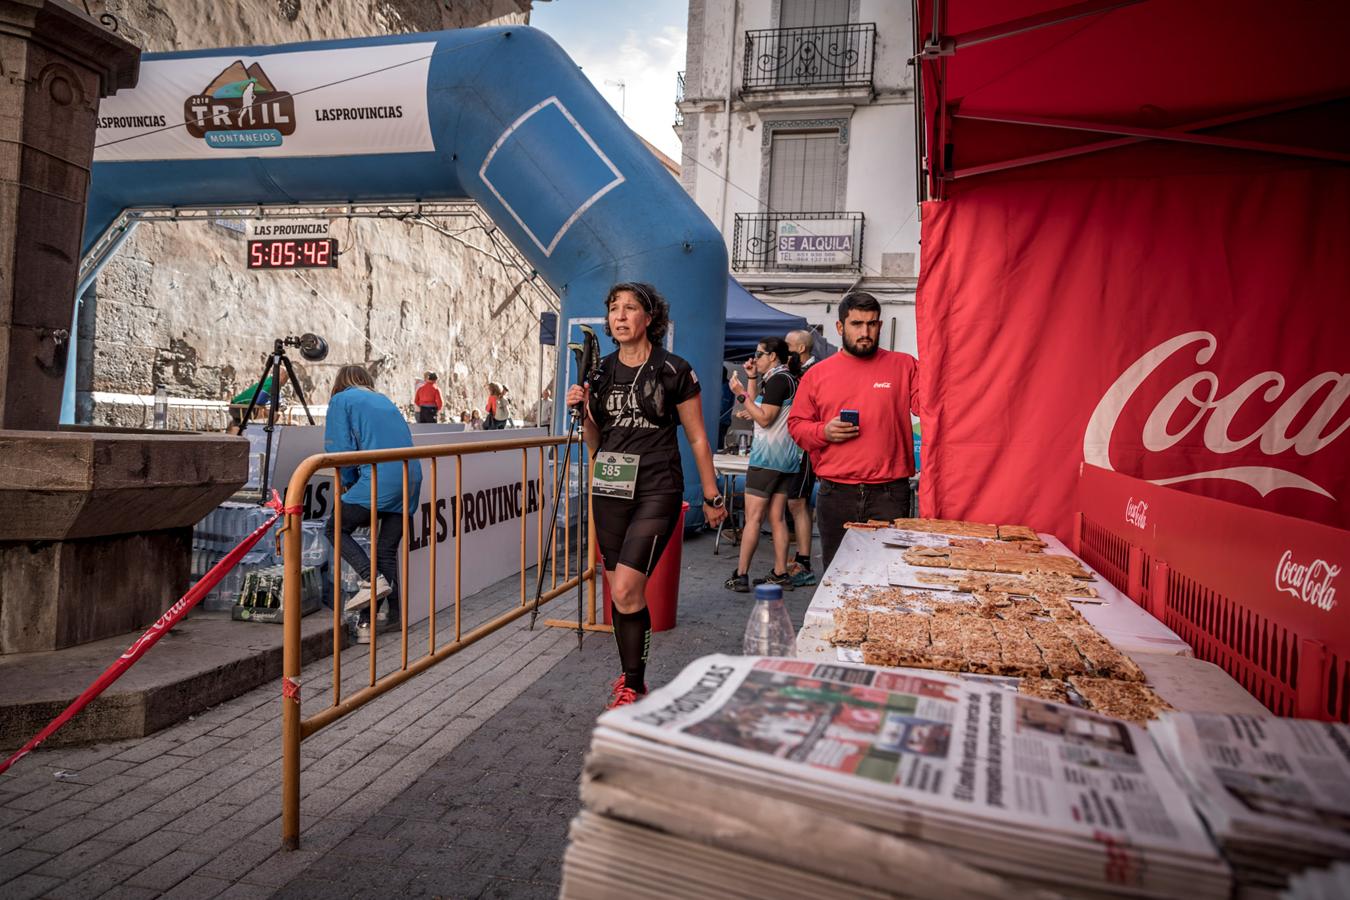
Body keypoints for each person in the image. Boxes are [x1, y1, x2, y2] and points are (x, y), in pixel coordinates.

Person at [565, 281, 726, 709]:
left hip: (658, 489)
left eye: (630, 308)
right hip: (611, 489)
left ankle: (633, 685)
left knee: (626, 590)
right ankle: (630, 677)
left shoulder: (674, 369)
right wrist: (583, 412)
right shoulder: (599, 374)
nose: (619, 316)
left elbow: (696, 438)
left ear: (649, 318)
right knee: (622, 590)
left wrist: (711, 496)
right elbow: (596, 444)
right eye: (613, 308)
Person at [788, 292, 919, 571]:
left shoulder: (904, 366)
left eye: (872, 324)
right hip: (836, 494)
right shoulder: (816, 375)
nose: (865, 332)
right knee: (837, 575)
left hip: (890, 494)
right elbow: (797, 427)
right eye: (857, 324)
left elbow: (934, 407)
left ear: (880, 326)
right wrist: (825, 431)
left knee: (887, 575)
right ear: (839, 327)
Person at [324, 365, 423, 643]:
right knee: (386, 550)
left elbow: (340, 449)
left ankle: (370, 578)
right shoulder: (383, 400)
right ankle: (384, 619)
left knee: (334, 528)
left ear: (341, 382)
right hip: (410, 478)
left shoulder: (341, 400)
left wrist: (347, 481)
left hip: (382, 478)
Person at [723, 337, 802, 592]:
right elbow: (757, 407)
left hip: (767, 458)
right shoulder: (786, 378)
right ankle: (780, 573)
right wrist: (752, 380)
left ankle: (741, 574)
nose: (755, 358)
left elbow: (765, 419)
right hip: (787, 459)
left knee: (753, 518)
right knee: (777, 518)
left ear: (773, 357)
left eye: (759, 354)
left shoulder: (779, 380)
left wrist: (739, 393)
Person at [784, 329, 820, 586]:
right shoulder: (795, 372)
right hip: (790, 447)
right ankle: (796, 558)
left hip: (805, 449)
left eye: (787, 347)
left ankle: (804, 561)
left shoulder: (813, 373)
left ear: (800, 349)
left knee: (798, 502)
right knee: (790, 503)